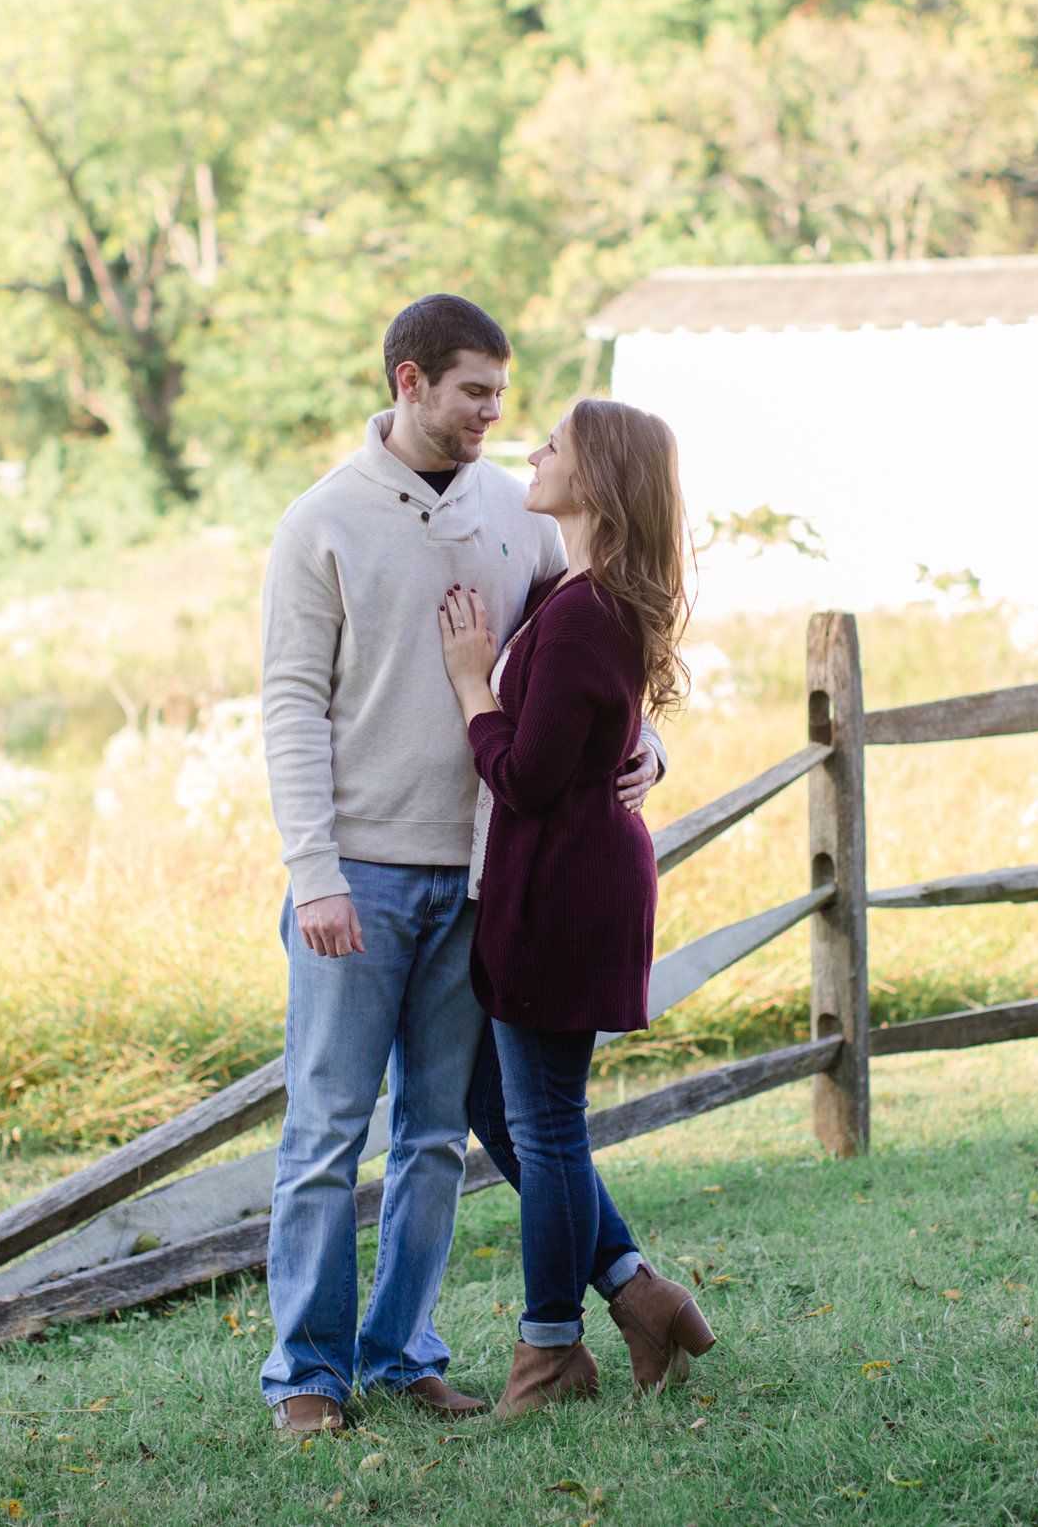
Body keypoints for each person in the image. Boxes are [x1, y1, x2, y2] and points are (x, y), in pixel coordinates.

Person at [257, 296, 662, 1437]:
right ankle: (305, 1374)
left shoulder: (516, 512)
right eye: (474, 391)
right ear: (408, 382)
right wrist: (314, 868)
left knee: (435, 1132)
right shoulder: (320, 521)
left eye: (501, 391)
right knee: (327, 1127)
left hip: (484, 880)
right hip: (360, 874)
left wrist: (648, 748)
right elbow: (289, 702)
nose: (495, 412)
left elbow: (591, 653)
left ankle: (401, 1350)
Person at [437, 398, 716, 1417]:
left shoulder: (586, 609)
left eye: (553, 442)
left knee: (546, 1125)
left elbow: (530, 774)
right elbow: (596, 741)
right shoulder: (576, 596)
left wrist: (473, 684)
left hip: (561, 888)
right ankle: (639, 1292)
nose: (534, 449)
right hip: (557, 880)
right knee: (496, 1105)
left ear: (594, 478)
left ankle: (549, 1349)